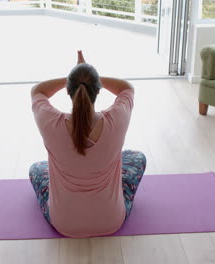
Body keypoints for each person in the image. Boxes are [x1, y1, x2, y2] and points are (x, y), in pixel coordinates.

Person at [29, 51, 146, 238]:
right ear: (98, 89)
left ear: (68, 90)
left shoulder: (50, 122)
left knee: (36, 169)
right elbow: (127, 88)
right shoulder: (117, 117)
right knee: (137, 157)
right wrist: (91, 76)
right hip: (111, 219)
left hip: (63, 222)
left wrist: (73, 75)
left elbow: (37, 91)